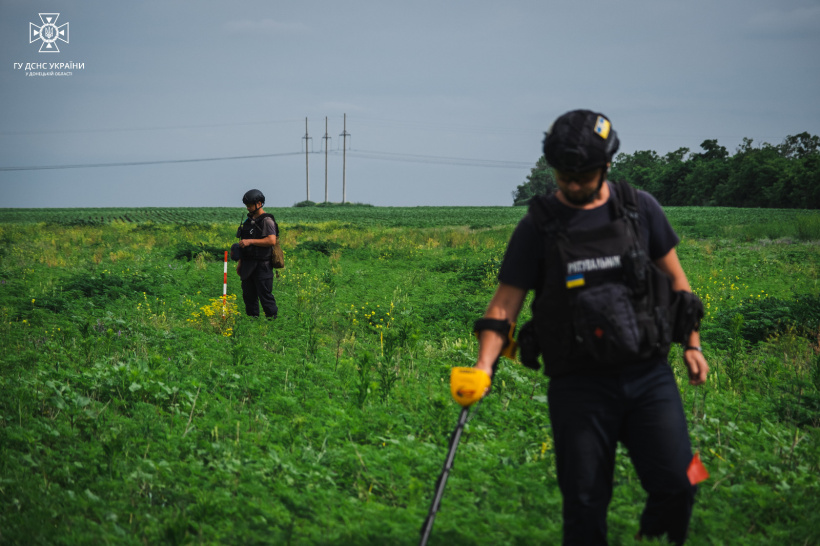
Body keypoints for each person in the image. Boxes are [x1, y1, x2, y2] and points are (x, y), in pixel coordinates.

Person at [471, 110, 708, 545]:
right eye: (565, 176)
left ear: (606, 166)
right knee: (584, 504)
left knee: (679, 482)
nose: (574, 184)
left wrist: (691, 345)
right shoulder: (538, 226)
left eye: (584, 175)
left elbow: (678, 284)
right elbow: (505, 304)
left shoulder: (639, 210)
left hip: (647, 375)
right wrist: (484, 367)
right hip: (577, 384)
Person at [236, 189, 279, 319]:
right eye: (246, 206)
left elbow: (271, 240)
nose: (248, 208)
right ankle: (252, 324)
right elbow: (242, 244)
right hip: (248, 264)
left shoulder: (267, 221)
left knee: (265, 296)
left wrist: (250, 241)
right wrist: (240, 263)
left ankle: (272, 323)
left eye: (249, 205)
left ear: (259, 203)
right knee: (249, 297)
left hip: (263, 265)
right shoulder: (247, 222)